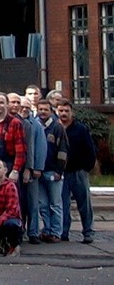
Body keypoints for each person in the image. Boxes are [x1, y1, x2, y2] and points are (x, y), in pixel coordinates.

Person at [58, 100, 97, 244]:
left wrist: (86, 167)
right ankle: (63, 233)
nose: (63, 114)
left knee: (84, 203)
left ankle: (88, 232)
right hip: (61, 173)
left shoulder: (80, 129)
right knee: (62, 204)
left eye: (66, 111)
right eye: (61, 111)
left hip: (78, 171)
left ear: (71, 112)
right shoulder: (56, 128)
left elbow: (90, 149)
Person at [36, 99, 68, 243]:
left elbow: (63, 151)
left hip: (53, 172)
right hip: (38, 172)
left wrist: (59, 171)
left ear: (51, 111)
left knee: (55, 204)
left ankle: (56, 232)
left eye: (45, 109)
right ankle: (47, 230)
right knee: (42, 204)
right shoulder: (35, 126)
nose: (42, 112)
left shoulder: (57, 127)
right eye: (40, 109)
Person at [15, 94, 45, 243]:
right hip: (16, 168)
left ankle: (33, 232)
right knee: (19, 202)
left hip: (30, 169)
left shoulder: (34, 125)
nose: (24, 110)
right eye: (22, 107)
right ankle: (20, 230)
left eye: (27, 107)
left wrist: (33, 168)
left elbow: (36, 148)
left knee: (32, 203)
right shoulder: (15, 123)